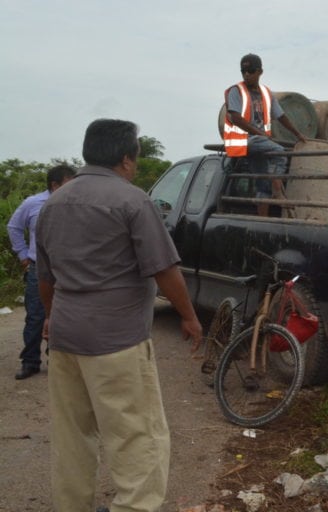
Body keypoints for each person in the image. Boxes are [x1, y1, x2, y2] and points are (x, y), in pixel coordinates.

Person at [35, 119, 203, 512]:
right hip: (117, 342)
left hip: (65, 338)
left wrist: (51, 316)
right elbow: (164, 270)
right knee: (136, 437)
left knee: (72, 436)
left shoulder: (54, 202)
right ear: (127, 159)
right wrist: (189, 316)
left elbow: (45, 279)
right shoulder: (132, 200)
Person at [6, 164, 75, 380]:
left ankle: (56, 360)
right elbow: (14, 227)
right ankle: (30, 362)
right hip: (39, 268)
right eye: (68, 182)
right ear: (55, 185)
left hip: (68, 270)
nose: (73, 187)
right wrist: (23, 255)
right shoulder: (33, 203)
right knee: (36, 316)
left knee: (65, 316)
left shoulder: (75, 204)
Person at [223, 53, 307, 216]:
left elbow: (281, 116)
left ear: (260, 72)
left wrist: (297, 134)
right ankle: (278, 191)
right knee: (280, 153)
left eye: (251, 71)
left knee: (262, 185)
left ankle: (263, 219)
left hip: (259, 143)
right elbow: (236, 118)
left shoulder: (266, 94)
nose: (246, 74)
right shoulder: (236, 91)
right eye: (243, 71)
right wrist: (259, 133)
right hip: (241, 140)